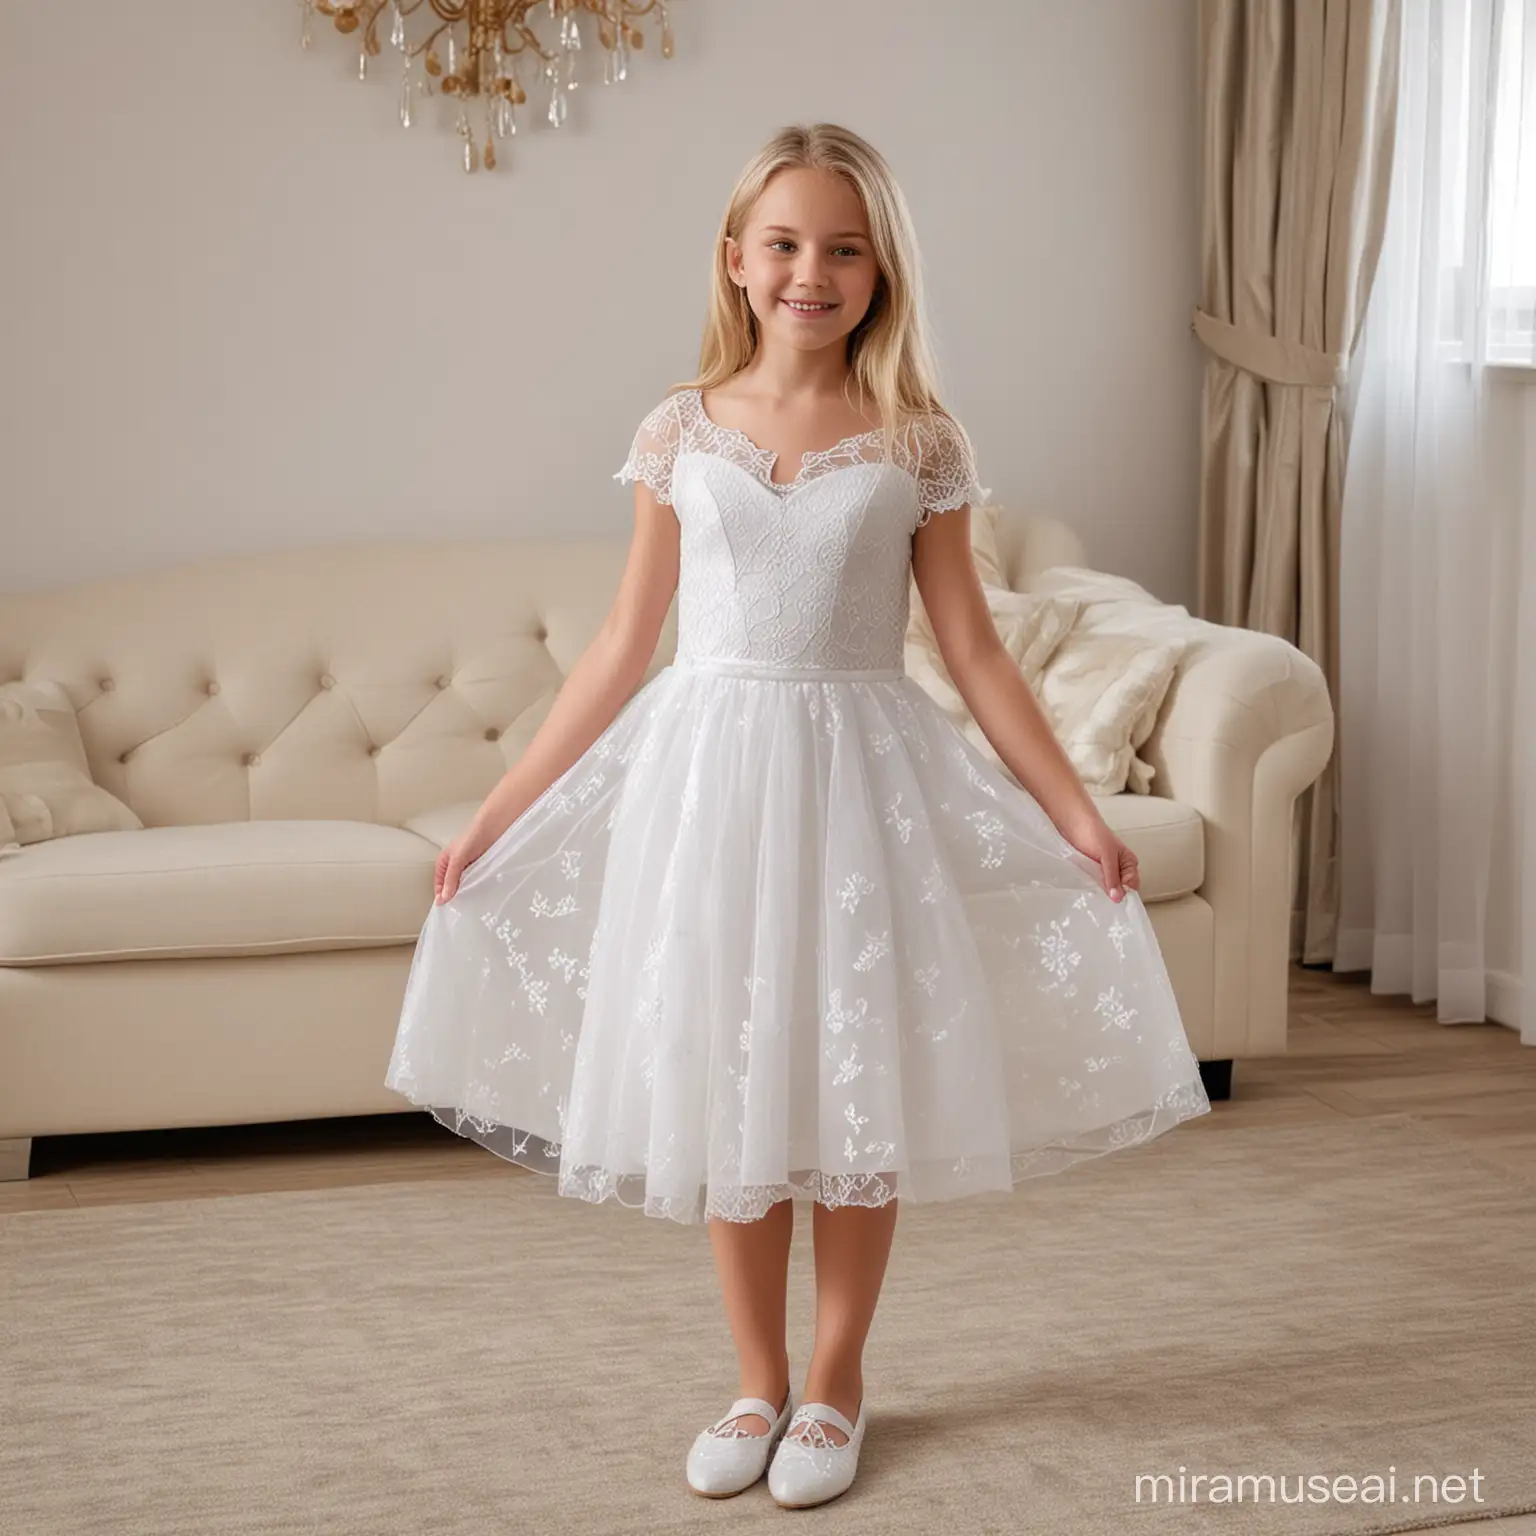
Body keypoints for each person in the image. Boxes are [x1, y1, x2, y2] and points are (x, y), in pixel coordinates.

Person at [384, 121, 1211, 1510]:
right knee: (734, 1086)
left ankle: (838, 1382)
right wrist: (497, 813)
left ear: (880, 270)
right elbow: (619, 645)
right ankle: (755, 1377)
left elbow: (975, 651)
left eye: (842, 247)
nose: (809, 272)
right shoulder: (677, 427)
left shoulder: (918, 442)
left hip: (857, 791)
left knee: (849, 1090)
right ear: (735, 258)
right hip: (709, 790)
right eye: (783, 244)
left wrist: (1074, 810)